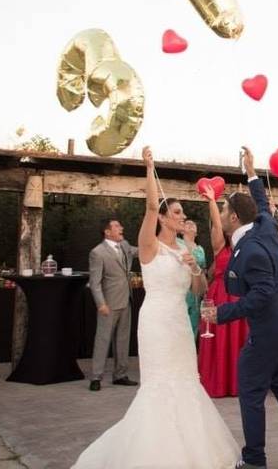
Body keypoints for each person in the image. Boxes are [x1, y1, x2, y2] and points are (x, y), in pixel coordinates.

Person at [73, 147, 236, 469]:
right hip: (156, 321)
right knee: (159, 385)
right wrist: (149, 168)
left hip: (179, 320)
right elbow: (149, 206)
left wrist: (194, 269)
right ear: (162, 218)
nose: (181, 217)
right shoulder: (149, 244)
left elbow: (200, 291)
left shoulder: (187, 247)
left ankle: (191, 450)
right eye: (175, 213)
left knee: (186, 381)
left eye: (182, 214)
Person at [201, 147, 278, 469]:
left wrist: (222, 313)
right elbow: (263, 203)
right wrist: (252, 171)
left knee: (250, 389)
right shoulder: (265, 226)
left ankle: (254, 460)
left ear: (232, 218)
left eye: (225, 209)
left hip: (270, 328)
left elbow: (262, 294)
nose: (223, 214)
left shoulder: (250, 250)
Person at [197, 182, 249, 399]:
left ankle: (238, 384)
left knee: (240, 340)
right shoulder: (220, 246)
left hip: (239, 295)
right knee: (217, 338)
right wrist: (212, 201)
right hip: (219, 294)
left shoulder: (246, 245)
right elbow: (217, 225)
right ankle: (216, 383)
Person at [87, 218, 139, 391]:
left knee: (123, 340)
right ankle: (96, 377)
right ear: (107, 232)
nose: (121, 228)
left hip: (126, 300)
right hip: (108, 303)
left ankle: (120, 375)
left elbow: (138, 251)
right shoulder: (98, 252)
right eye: (117, 226)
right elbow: (95, 282)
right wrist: (101, 304)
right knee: (103, 339)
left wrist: (158, 245)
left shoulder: (124, 245)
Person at [181, 219, 208, 340]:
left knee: (193, 326)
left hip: (195, 293)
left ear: (196, 232)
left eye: (193, 223)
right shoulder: (177, 243)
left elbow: (203, 271)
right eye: (187, 223)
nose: (191, 224)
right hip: (182, 289)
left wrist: (205, 289)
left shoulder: (200, 249)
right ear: (182, 230)